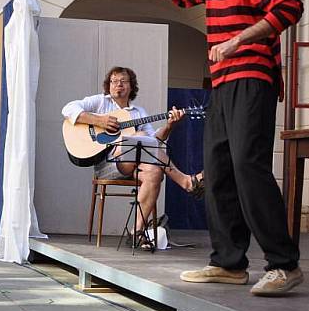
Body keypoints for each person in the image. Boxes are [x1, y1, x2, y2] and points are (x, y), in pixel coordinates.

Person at [119, 0, 304, 295]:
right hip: (221, 84)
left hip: (253, 78)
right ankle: (229, 263)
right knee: (217, 171)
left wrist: (237, 40)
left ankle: (284, 264)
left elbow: (289, 6)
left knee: (247, 165)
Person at [63, 66, 204, 245]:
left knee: (154, 172)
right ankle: (185, 181)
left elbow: (154, 144)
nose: (118, 85)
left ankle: (136, 232)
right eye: (114, 81)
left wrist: (169, 126)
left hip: (134, 165)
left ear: (131, 86)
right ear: (108, 85)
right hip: (107, 165)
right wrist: (99, 120)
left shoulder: (138, 112)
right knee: (141, 136)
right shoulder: (100, 102)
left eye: (123, 81)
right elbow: (68, 109)